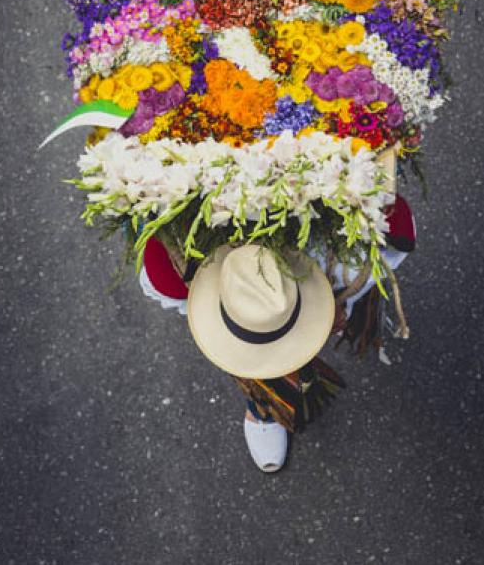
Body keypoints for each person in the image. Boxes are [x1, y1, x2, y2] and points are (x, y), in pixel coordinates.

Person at [139, 194, 416, 473]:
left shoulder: (361, 244)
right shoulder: (169, 269)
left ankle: (269, 393)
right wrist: (242, 315)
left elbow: (389, 237)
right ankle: (262, 402)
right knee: (248, 332)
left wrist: (341, 300)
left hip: (316, 219)